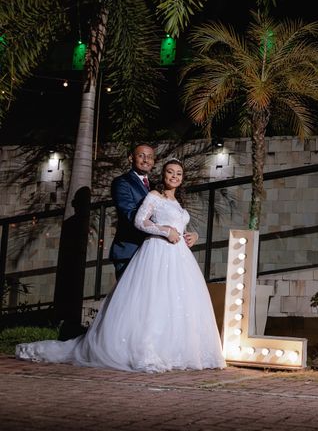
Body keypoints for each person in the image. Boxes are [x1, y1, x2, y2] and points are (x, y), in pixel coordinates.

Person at [16, 159, 226, 372]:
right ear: (163, 175)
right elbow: (139, 221)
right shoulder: (154, 196)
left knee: (177, 302)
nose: (174, 176)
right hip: (157, 252)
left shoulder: (179, 204)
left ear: (183, 178)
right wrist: (165, 231)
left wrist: (193, 235)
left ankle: (174, 351)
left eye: (178, 173)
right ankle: (146, 349)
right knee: (153, 301)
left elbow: (180, 227)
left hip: (180, 257)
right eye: (170, 172)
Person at [110, 143, 198, 280]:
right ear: (131, 158)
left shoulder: (157, 186)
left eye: (150, 157)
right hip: (130, 248)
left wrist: (189, 235)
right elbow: (129, 214)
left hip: (162, 251)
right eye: (141, 156)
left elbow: (167, 217)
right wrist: (162, 229)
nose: (146, 160)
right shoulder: (122, 182)